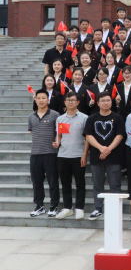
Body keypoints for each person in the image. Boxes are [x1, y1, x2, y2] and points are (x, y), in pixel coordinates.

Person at [84, 91, 126, 220]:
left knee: (115, 184)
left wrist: (108, 149)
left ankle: (115, 210)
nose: (105, 103)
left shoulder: (118, 117)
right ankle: (98, 208)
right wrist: (101, 148)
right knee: (97, 184)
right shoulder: (92, 118)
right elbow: (88, 136)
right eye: (103, 100)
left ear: (111, 102)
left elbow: (120, 135)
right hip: (96, 157)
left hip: (114, 157)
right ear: (98, 103)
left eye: (108, 100)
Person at [54, 92, 89, 220]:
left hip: (78, 155)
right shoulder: (60, 119)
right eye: (68, 100)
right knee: (65, 183)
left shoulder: (84, 118)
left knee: (80, 183)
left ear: (78, 102)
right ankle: (67, 208)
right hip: (63, 155)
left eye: (73, 100)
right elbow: (60, 135)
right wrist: (57, 143)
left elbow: (87, 139)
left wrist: (84, 154)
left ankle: (79, 208)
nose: (70, 102)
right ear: (65, 102)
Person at [28, 90, 61, 217]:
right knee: (36, 182)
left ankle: (54, 206)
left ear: (48, 100)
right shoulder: (31, 117)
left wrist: (57, 142)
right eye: (39, 98)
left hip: (50, 153)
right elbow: (32, 132)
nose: (41, 100)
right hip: (35, 154)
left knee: (53, 181)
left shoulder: (55, 115)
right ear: (35, 100)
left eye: (43, 98)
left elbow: (60, 132)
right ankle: (39, 206)